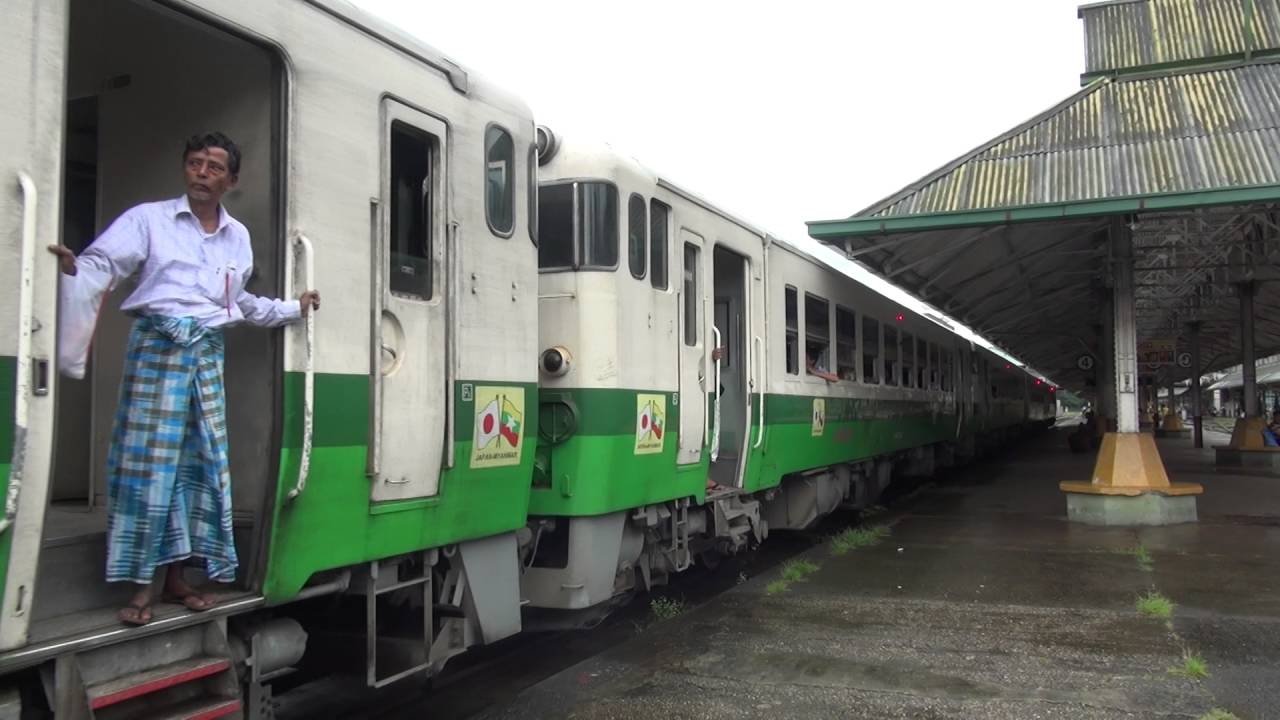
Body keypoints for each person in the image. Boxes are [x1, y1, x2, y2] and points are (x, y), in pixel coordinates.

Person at [49, 132, 320, 627]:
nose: (202, 173)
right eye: (195, 163)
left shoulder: (237, 236)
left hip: (206, 356)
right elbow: (103, 264)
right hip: (156, 350)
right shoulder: (149, 219)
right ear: (185, 168)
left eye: (214, 167)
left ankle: (177, 579)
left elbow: (238, 301)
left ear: (231, 180)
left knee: (200, 468)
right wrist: (74, 270)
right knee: (148, 469)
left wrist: (291, 309)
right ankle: (140, 587)